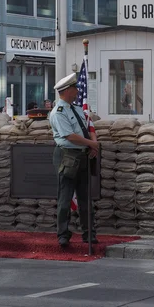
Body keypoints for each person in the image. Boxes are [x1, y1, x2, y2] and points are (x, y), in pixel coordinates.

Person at [49, 73, 99, 248]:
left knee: (85, 198)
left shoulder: (76, 109)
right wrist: (91, 143)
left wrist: (92, 145)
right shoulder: (59, 112)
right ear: (67, 91)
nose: (78, 91)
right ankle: (63, 235)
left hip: (82, 155)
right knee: (65, 197)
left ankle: (89, 233)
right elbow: (70, 136)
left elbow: (88, 125)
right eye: (74, 88)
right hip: (67, 156)